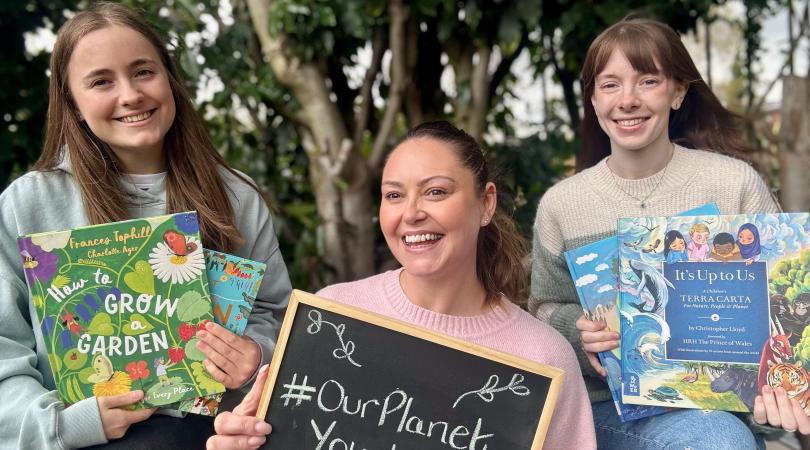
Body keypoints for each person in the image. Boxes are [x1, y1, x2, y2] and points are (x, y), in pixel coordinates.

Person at [0, 3, 291, 448]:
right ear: (73, 103)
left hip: (215, 437)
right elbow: (5, 353)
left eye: (143, 72)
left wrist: (255, 354)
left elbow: (275, 315)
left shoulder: (237, 197)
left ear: (170, 80)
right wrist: (66, 425)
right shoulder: (28, 204)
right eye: (101, 81)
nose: (131, 94)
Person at [207, 121, 597, 450]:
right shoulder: (327, 323)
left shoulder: (543, 357)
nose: (411, 213)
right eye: (394, 195)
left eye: (436, 192)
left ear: (487, 204)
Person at [527, 16, 799, 449]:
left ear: (677, 92)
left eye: (648, 81)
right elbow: (542, 309)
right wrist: (580, 332)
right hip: (604, 413)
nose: (628, 100)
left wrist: (788, 389)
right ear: (594, 100)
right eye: (610, 84)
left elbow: (788, 302)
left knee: (718, 436)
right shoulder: (562, 205)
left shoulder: (734, 184)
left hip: (721, 405)